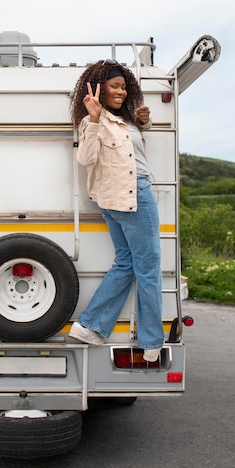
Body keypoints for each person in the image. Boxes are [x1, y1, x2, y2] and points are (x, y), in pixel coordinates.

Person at [68, 59, 164, 362]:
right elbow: (85, 159)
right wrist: (95, 118)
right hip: (134, 195)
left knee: (126, 263)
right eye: (114, 86)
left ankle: (89, 325)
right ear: (99, 89)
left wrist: (142, 121)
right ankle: (151, 340)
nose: (121, 91)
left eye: (124, 86)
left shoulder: (123, 120)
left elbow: (130, 143)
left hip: (113, 200)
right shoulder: (94, 121)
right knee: (148, 270)